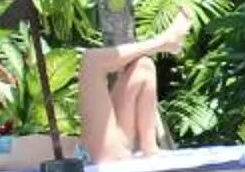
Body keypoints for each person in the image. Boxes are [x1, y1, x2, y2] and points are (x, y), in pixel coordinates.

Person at [76, 15, 191, 164]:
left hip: (115, 146)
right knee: (91, 61)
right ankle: (164, 42)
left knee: (143, 66)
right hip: (91, 156)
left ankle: (150, 148)